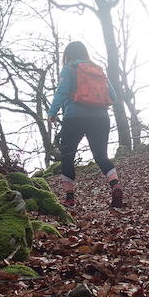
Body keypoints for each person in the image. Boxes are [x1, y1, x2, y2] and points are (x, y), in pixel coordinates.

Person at [47, 41, 124, 209]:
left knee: (68, 155)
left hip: (74, 117)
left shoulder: (69, 69)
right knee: (101, 156)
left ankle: (69, 197)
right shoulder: (98, 69)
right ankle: (115, 185)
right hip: (101, 118)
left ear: (68, 55)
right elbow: (113, 96)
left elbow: (61, 92)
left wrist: (52, 112)